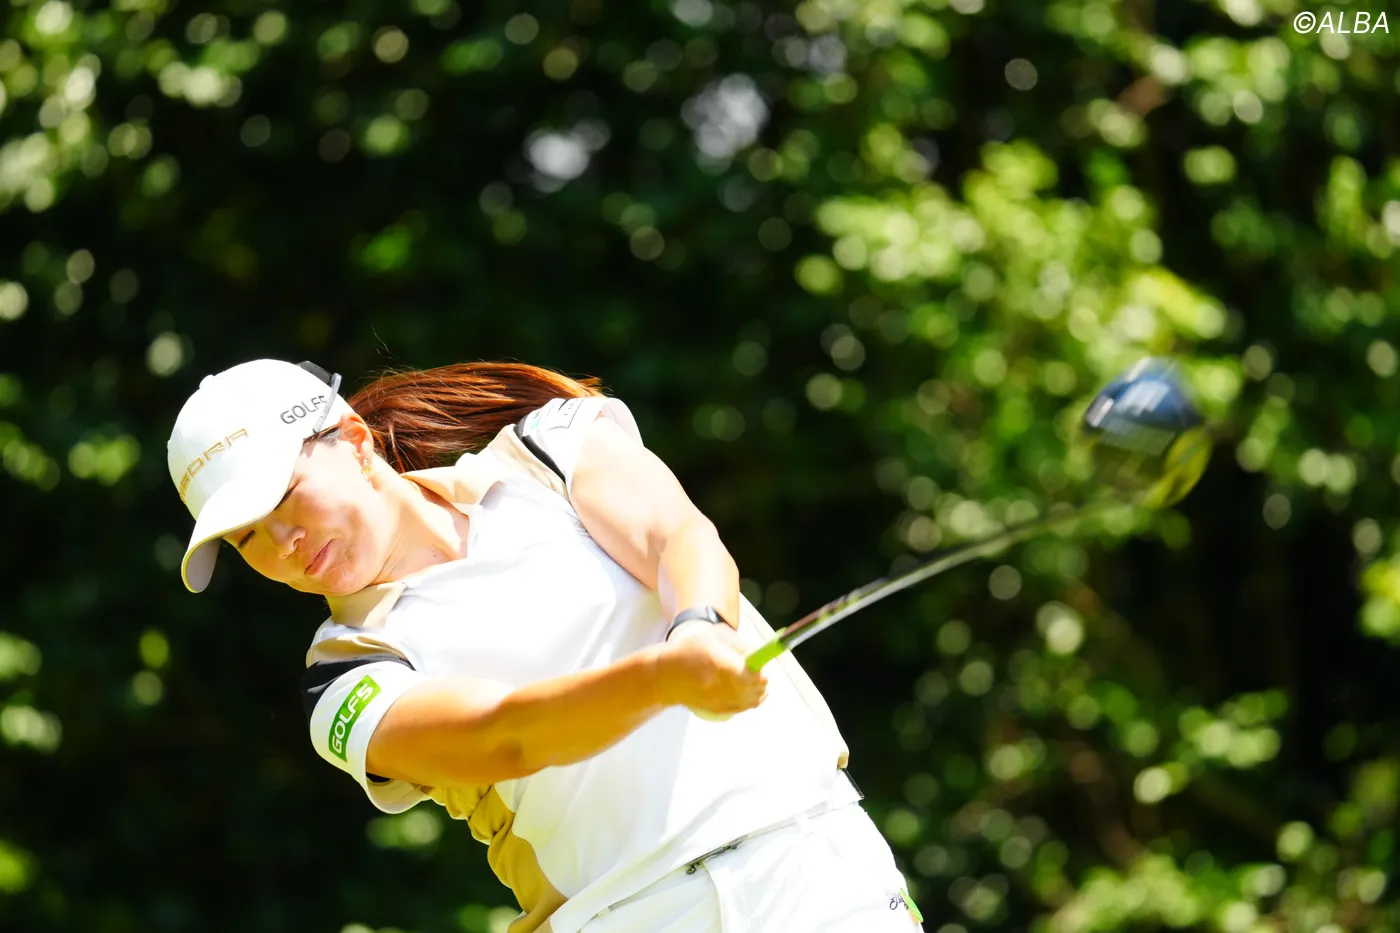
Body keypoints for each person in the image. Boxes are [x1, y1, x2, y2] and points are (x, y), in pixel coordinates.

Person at [167, 358, 925, 933]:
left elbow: (675, 537)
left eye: (284, 498)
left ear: (356, 443)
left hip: (815, 861)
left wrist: (699, 627)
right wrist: (665, 676)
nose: (284, 544)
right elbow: (504, 735)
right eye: (247, 538)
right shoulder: (344, 675)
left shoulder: (550, 449)